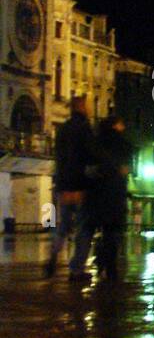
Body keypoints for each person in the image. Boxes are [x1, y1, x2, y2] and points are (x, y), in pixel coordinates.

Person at [44, 94, 97, 279]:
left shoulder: (63, 129)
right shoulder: (85, 128)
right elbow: (91, 155)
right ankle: (77, 269)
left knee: (63, 226)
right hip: (80, 185)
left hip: (63, 184)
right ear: (82, 108)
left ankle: (52, 256)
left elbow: (59, 155)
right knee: (84, 227)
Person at [88, 114, 133, 282]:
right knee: (113, 232)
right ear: (116, 126)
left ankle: (100, 261)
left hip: (97, 192)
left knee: (102, 230)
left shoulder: (97, 141)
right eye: (121, 123)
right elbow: (126, 169)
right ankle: (111, 267)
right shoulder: (124, 145)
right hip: (115, 193)